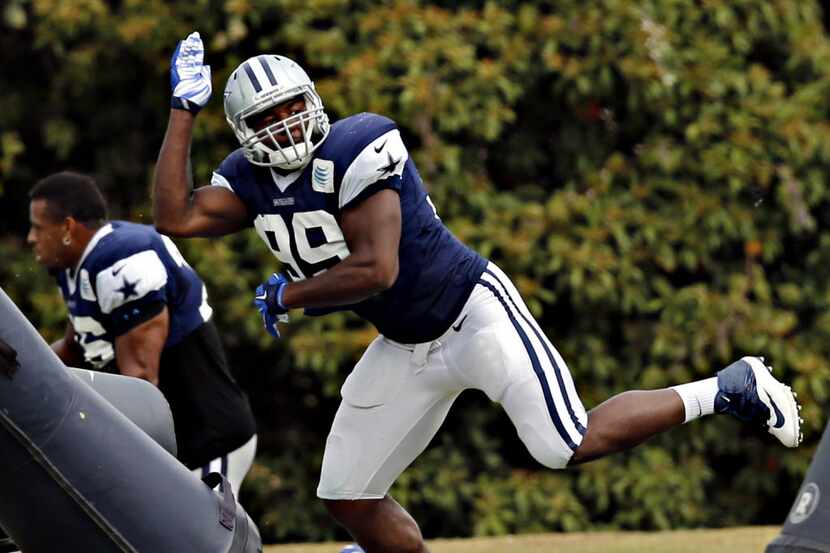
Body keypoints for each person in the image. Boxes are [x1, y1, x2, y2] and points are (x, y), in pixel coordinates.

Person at [153, 32, 803, 553]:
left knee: (563, 443)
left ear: (314, 98)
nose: (290, 123)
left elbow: (376, 268)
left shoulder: (360, 143)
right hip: (405, 341)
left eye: (296, 104)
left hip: (472, 312)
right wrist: (183, 110)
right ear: (245, 129)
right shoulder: (251, 178)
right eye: (271, 115)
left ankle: (729, 386)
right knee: (348, 494)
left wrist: (291, 295)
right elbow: (175, 216)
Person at [27, 171, 258, 499]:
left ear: (67, 227)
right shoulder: (79, 266)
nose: (31, 238)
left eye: (38, 227)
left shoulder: (122, 260)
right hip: (170, 448)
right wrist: (23, 370)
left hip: (205, 443)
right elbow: (75, 348)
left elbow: (140, 386)